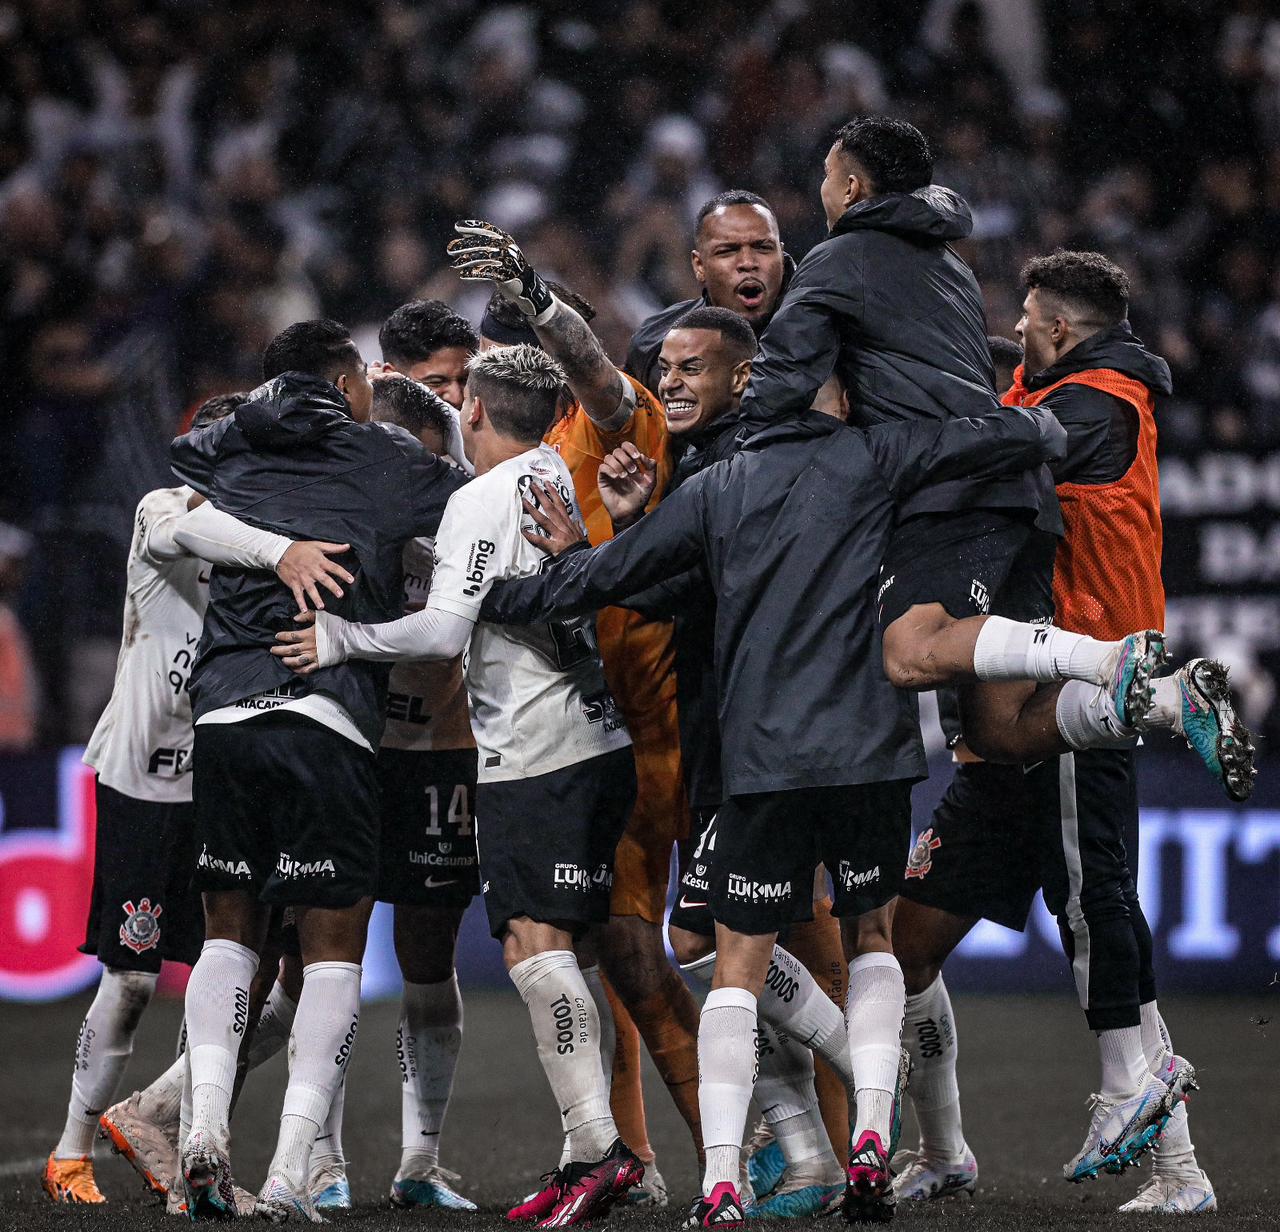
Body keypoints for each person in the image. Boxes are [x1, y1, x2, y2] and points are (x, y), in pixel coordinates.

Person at [454, 367, 1064, 1227]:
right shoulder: (878, 453)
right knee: (873, 940)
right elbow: (992, 437)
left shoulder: (721, 483)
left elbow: (619, 576)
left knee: (732, 965)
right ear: (842, 395)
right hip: (870, 749)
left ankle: (723, 1183)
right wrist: (1045, 427)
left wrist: (517, 590)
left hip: (762, 757)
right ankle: (873, 1133)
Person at [735, 115, 1244, 788]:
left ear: (852, 187)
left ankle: (1108, 663)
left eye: (827, 179)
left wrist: (741, 439)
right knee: (997, 730)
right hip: (1014, 499)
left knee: (908, 655)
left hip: (956, 493)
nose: (823, 193)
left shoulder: (840, 258)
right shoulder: (950, 266)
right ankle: (1169, 701)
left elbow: (782, 384)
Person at [274, 344, 646, 1227]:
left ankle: (599, 1152)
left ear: (474, 409)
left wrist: (342, 641)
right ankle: (586, 1153)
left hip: (537, 750)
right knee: (554, 946)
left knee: (532, 945)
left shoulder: (479, 497)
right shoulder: (560, 473)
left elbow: (444, 633)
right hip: (592, 741)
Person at [891, 253, 1227, 1211]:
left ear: (1062, 329)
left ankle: (1151, 1111)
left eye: (1030, 317)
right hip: (1004, 721)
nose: (1020, 328)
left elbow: (1005, 442)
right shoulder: (1063, 382)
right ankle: (950, 1149)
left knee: (1092, 903)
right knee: (907, 945)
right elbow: (987, 380)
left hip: (1076, 692)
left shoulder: (1098, 403)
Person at [168, 319, 466, 1221]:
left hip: (221, 714)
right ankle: (294, 1167)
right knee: (331, 952)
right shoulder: (383, 454)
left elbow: (189, 468)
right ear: (347, 385)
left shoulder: (226, 445)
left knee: (230, 938)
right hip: (323, 715)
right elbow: (468, 493)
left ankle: (203, 1138)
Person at [449, 220, 704, 1200]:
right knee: (615, 953)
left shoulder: (609, 421)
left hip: (656, 720)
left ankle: (793, 1143)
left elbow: (596, 375)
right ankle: (623, 1158)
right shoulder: (508, 458)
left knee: (741, 939)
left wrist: (548, 307)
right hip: (596, 730)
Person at [44, 392, 348, 1207]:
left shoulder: (265, 537)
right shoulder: (163, 508)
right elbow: (187, 533)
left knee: (240, 973)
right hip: (144, 775)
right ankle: (72, 1147)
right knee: (134, 976)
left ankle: (187, 1144)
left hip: (227, 773)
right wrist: (282, 548)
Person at [625, 190, 792, 396]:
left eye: (763, 247)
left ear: (781, 257)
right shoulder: (652, 344)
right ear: (699, 266)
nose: (748, 263)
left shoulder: (822, 332)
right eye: (728, 251)